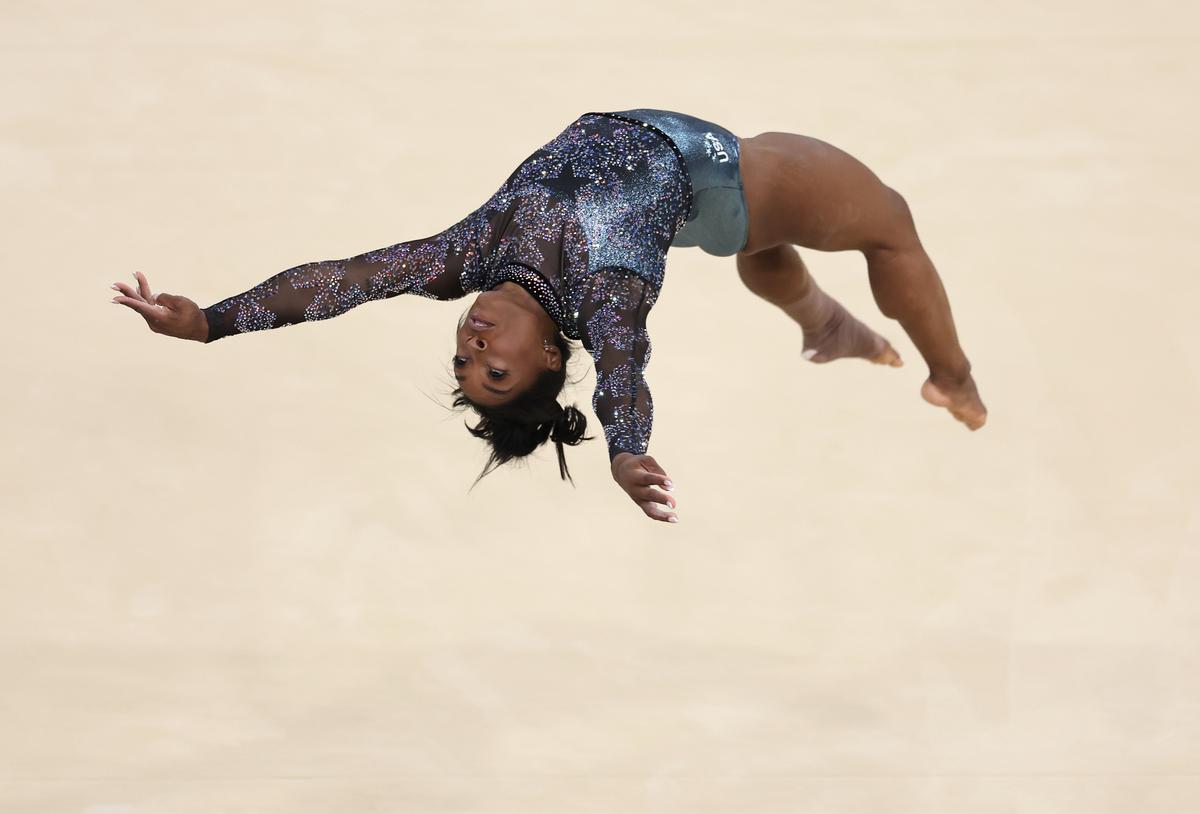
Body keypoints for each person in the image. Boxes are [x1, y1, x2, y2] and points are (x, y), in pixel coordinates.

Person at [110, 108, 987, 524]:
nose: (473, 346)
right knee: (891, 224)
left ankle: (822, 324)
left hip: (702, 197)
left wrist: (213, 321)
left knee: (760, 248)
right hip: (722, 174)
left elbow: (345, 280)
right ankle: (955, 380)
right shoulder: (605, 293)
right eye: (494, 371)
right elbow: (626, 373)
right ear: (545, 361)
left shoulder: (468, 259)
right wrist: (627, 451)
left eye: (463, 363)